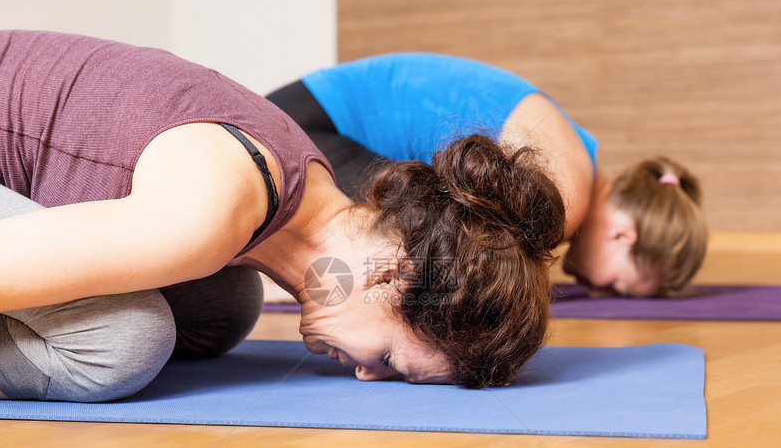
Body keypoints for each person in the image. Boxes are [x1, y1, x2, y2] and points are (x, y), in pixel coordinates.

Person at [0, 31, 566, 401]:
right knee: (123, 343)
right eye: (386, 361)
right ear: (389, 276)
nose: (361, 374)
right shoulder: (205, 212)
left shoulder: (297, 184)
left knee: (221, 308)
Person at [267, 52, 708, 298]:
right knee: (428, 256)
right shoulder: (566, 198)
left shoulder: (579, 161)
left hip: (307, 116)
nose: (597, 294)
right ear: (622, 235)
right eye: (613, 285)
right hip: (304, 127)